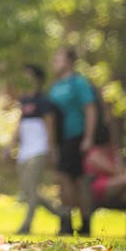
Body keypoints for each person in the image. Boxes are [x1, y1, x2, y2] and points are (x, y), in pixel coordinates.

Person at [46, 47, 98, 236]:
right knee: (64, 180)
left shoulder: (78, 82)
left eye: (58, 58)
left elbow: (90, 109)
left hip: (76, 136)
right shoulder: (55, 85)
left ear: (69, 61)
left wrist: (88, 137)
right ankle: (68, 221)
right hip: (61, 140)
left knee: (75, 181)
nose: (55, 62)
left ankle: (82, 223)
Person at [14, 64, 64, 235]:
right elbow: (19, 124)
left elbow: (50, 126)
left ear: (37, 79)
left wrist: (51, 149)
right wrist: (10, 145)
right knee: (27, 190)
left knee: (32, 188)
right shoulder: (24, 101)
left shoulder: (44, 101)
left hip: (39, 149)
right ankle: (62, 213)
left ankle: (26, 225)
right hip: (24, 151)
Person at [82, 124, 126, 240]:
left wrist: (116, 156)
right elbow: (114, 171)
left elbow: (121, 170)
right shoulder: (94, 154)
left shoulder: (112, 153)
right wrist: (119, 170)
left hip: (117, 188)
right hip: (100, 188)